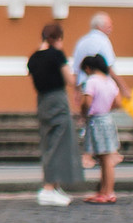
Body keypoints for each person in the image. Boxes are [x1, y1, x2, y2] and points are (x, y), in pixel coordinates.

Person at [26, 21, 80, 205]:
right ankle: (49, 188)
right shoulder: (56, 55)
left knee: (49, 142)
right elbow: (69, 79)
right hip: (57, 99)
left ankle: (54, 186)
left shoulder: (33, 58)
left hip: (42, 101)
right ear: (57, 38)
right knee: (59, 143)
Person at [78, 52, 123, 203]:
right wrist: (107, 107)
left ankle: (108, 191)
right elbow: (118, 102)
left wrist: (83, 113)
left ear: (89, 68)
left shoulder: (92, 81)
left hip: (96, 120)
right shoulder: (110, 82)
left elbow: (87, 102)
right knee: (105, 158)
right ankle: (104, 190)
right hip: (107, 119)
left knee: (105, 159)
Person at [72, 13, 116, 169]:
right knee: (99, 122)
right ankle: (94, 155)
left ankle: (93, 155)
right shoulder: (103, 41)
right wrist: (122, 87)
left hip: (86, 85)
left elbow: (76, 68)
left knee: (90, 123)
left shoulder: (82, 42)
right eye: (108, 26)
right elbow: (110, 67)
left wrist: (77, 91)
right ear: (100, 26)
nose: (111, 29)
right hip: (101, 86)